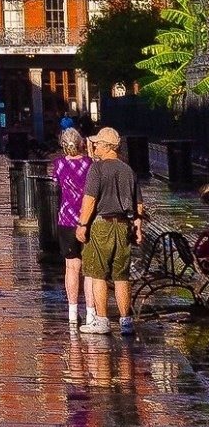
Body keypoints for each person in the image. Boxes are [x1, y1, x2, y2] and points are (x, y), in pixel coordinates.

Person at [76, 125, 145, 335]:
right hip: (123, 225)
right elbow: (138, 203)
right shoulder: (127, 170)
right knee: (121, 275)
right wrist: (138, 226)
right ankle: (126, 321)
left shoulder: (97, 169)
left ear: (107, 147)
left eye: (97, 143)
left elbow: (90, 200)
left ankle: (102, 320)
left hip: (101, 225)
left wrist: (82, 225)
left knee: (98, 274)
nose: (94, 145)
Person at [51, 126, 92, 325]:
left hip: (66, 219)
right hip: (87, 218)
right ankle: (92, 311)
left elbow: (56, 183)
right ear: (81, 143)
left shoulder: (58, 164)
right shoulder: (89, 163)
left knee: (71, 267)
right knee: (90, 269)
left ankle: (73, 312)